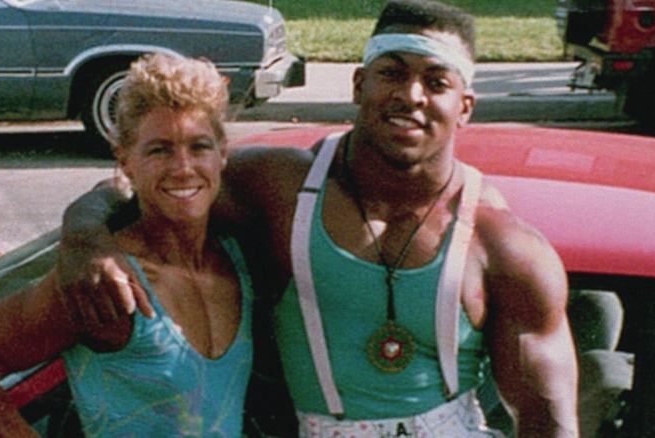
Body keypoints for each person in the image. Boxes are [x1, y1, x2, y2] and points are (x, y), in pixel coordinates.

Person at [57, 1, 579, 436]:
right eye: (391, 73)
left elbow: (549, 418)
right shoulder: (281, 187)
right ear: (358, 85)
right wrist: (83, 238)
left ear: (464, 107)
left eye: (436, 81)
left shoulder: (500, 243)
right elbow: (140, 183)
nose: (410, 95)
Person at [0, 53, 255, 437]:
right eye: (159, 150)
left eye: (198, 147)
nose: (183, 167)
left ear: (223, 154)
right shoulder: (108, 283)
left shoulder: (238, 261)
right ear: (125, 160)